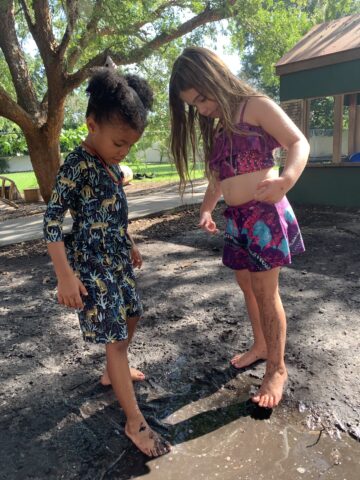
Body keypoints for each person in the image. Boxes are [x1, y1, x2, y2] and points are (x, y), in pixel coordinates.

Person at [169, 46, 309, 409]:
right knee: (246, 283)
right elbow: (218, 176)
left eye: (202, 98)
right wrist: (206, 208)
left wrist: (287, 180)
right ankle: (261, 345)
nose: (201, 108)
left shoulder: (255, 105)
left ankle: (277, 369)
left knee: (266, 291)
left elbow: (298, 141)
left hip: (263, 214)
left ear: (216, 76)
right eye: (193, 105)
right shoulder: (218, 126)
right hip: (236, 220)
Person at [44, 68, 170, 457]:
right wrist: (65, 276)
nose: (123, 152)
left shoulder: (112, 166)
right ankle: (136, 422)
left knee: (133, 315)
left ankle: (110, 372)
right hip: (91, 266)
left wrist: (129, 241)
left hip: (117, 259)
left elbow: (112, 211)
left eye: (130, 146)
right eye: (119, 142)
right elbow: (51, 221)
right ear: (91, 124)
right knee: (115, 340)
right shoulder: (77, 164)